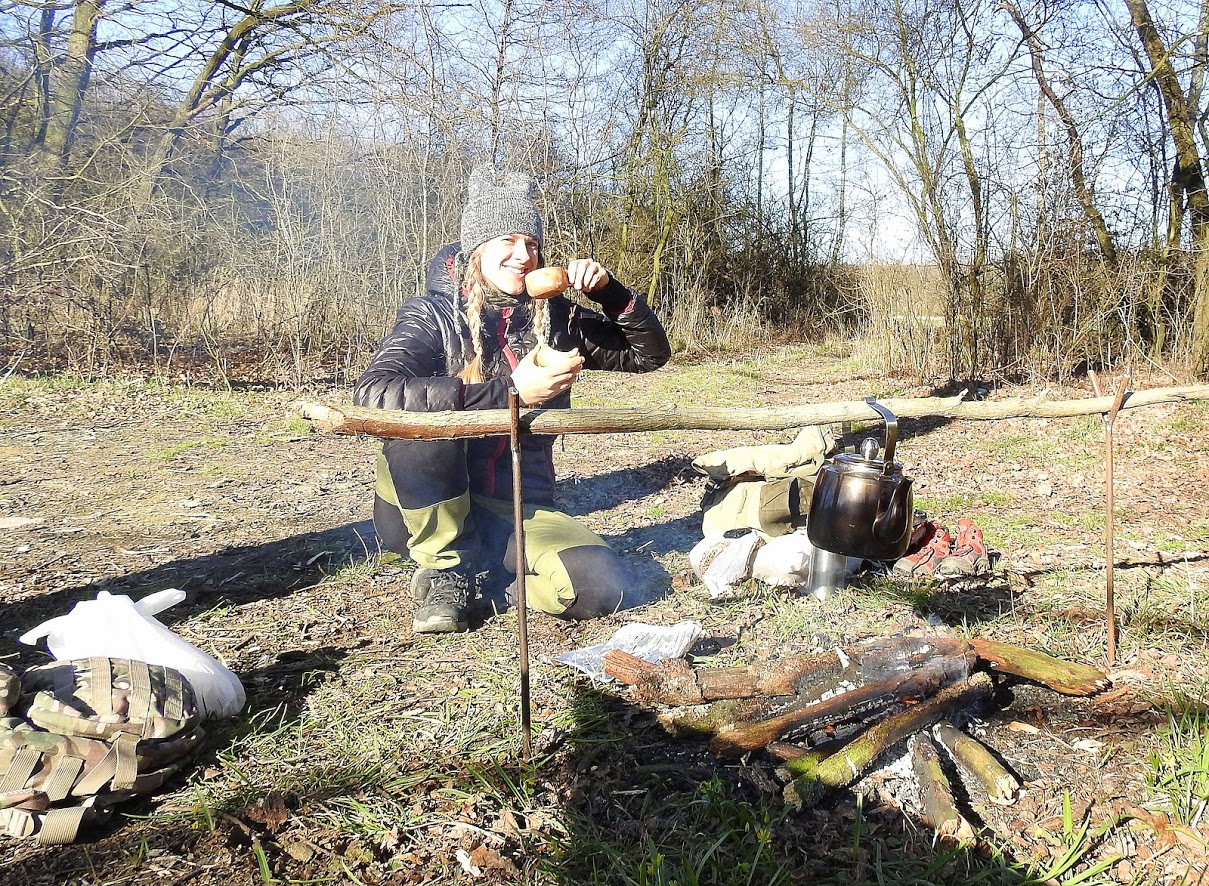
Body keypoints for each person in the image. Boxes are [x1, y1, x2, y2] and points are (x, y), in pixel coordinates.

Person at [353, 165, 672, 633]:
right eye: (508, 241)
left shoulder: (556, 317)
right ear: (477, 249)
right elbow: (373, 394)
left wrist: (610, 291)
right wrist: (510, 393)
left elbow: (648, 355)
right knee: (423, 424)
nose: (524, 256)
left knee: (600, 585)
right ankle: (445, 571)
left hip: (515, 504)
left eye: (532, 244)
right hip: (425, 504)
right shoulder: (431, 315)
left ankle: (491, 580)